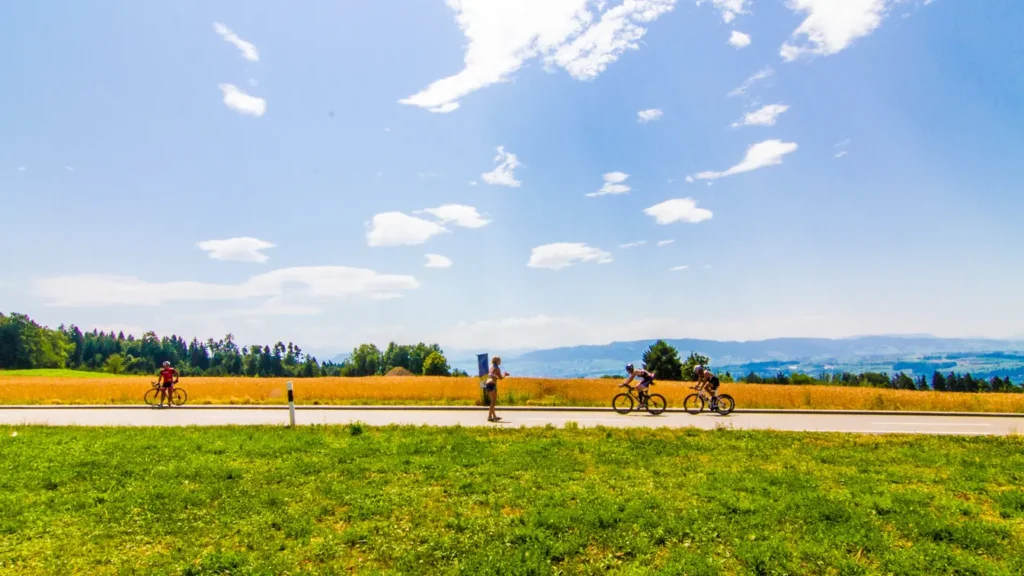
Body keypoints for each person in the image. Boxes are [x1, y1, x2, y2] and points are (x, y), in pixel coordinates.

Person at [485, 356, 509, 422]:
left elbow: (495, 376)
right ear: (497, 361)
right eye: (499, 360)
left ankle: (494, 416)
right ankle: (489, 416)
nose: (500, 361)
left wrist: (501, 376)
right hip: (492, 384)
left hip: (487, 384)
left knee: (492, 401)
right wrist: (505, 374)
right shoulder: (497, 368)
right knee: (493, 401)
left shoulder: (491, 367)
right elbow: (498, 377)